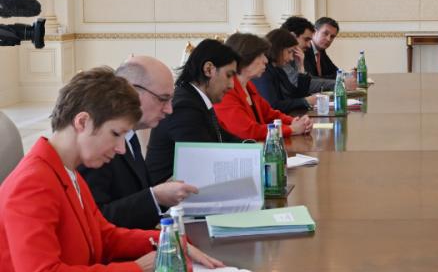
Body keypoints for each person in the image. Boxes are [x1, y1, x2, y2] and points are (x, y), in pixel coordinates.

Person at [0, 67, 222, 272]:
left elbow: (103, 235)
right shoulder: (32, 183)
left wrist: (168, 241)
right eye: (115, 133)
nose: (120, 148)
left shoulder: (67, 171)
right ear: (82, 122)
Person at [78, 56, 200, 230]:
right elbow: (96, 219)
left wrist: (162, 194)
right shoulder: (96, 141)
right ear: (132, 91)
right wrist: (156, 197)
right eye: (162, 99)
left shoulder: (131, 137)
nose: (169, 109)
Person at [145, 39, 241, 185]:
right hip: (169, 195)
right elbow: (205, 161)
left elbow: (225, 139)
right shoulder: (184, 106)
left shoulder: (195, 99)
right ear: (208, 69)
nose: (231, 85)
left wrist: (257, 147)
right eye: (229, 75)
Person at [215, 32, 313, 141]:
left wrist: (294, 121)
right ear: (245, 58)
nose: (266, 60)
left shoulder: (248, 85)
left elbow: (269, 114)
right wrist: (291, 129)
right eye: (260, 56)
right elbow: (249, 131)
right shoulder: (226, 91)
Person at [252, 28, 317, 114]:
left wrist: (301, 67)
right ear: (278, 49)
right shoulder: (264, 72)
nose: (291, 58)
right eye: (289, 52)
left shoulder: (278, 69)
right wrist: (304, 101)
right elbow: (273, 106)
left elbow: (297, 96)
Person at [280, 16, 339, 93]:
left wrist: (345, 77)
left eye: (332, 37)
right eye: (306, 40)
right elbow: (300, 83)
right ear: (292, 36)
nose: (308, 45)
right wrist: (339, 83)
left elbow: (335, 72)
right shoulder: (280, 58)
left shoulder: (319, 51)